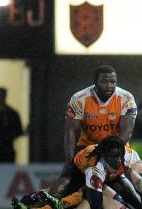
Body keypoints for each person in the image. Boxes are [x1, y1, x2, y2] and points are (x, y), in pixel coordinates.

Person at [50, 65, 137, 195]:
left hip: (116, 148)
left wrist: (110, 153)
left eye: (113, 82)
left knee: (137, 177)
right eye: (104, 82)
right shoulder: (79, 99)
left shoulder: (126, 98)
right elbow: (71, 131)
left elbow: (127, 132)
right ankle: (47, 208)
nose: (109, 85)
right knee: (66, 181)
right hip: (87, 147)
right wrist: (69, 161)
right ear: (95, 82)